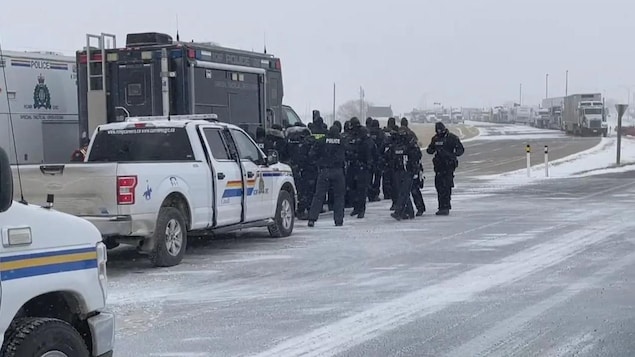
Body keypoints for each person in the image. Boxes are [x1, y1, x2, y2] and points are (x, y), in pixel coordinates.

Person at [308, 125, 346, 227]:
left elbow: (312, 154)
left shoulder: (322, 140)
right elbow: (349, 153)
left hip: (324, 170)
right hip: (338, 171)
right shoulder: (342, 141)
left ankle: (312, 218)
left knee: (319, 195)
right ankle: (338, 220)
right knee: (339, 196)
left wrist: (318, 162)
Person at [426, 122, 465, 216]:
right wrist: (432, 149)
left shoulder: (452, 138)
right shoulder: (435, 138)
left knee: (446, 186)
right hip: (439, 166)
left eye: (440, 130)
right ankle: (441, 207)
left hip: (448, 166)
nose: (439, 132)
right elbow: (430, 150)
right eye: (437, 130)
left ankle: (446, 207)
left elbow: (461, 149)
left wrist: (453, 155)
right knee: (439, 186)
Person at [347, 117, 374, 219]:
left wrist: (368, 163)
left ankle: (361, 209)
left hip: (363, 164)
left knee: (361, 189)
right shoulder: (352, 133)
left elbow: (368, 148)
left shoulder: (363, 134)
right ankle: (356, 207)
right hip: (353, 164)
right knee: (352, 187)